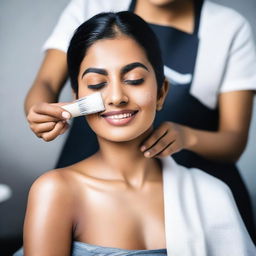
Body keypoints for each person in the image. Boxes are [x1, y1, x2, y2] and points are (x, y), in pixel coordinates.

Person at [15, 11, 255, 256]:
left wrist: (187, 136)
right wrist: (42, 115)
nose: (117, 97)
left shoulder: (211, 195)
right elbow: (45, 83)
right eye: (97, 84)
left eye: (135, 79)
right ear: (76, 99)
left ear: (161, 93)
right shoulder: (55, 191)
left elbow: (234, 139)